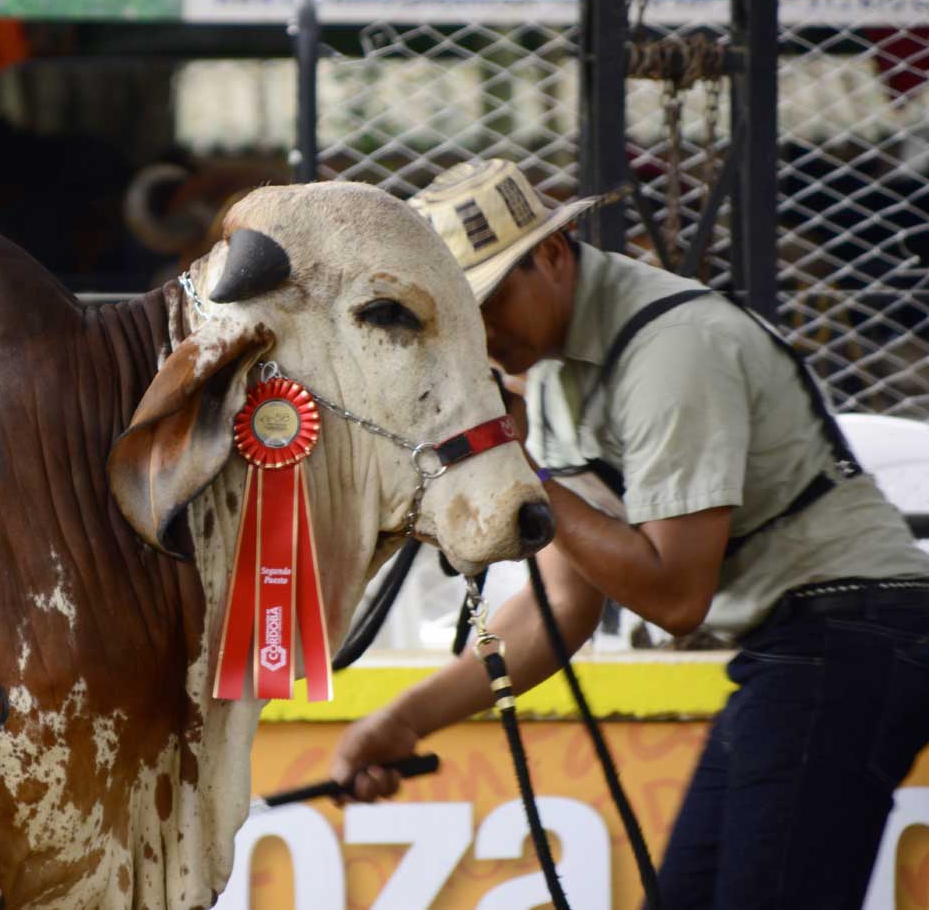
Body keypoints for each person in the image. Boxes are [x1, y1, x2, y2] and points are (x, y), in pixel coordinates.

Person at [332, 158, 929, 908]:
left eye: (487, 300)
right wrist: (404, 720)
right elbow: (562, 611)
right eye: (458, 314)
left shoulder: (674, 349)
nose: (478, 334)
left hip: (856, 633)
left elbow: (675, 595)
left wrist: (524, 474)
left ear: (552, 252)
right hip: (797, 645)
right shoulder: (547, 373)